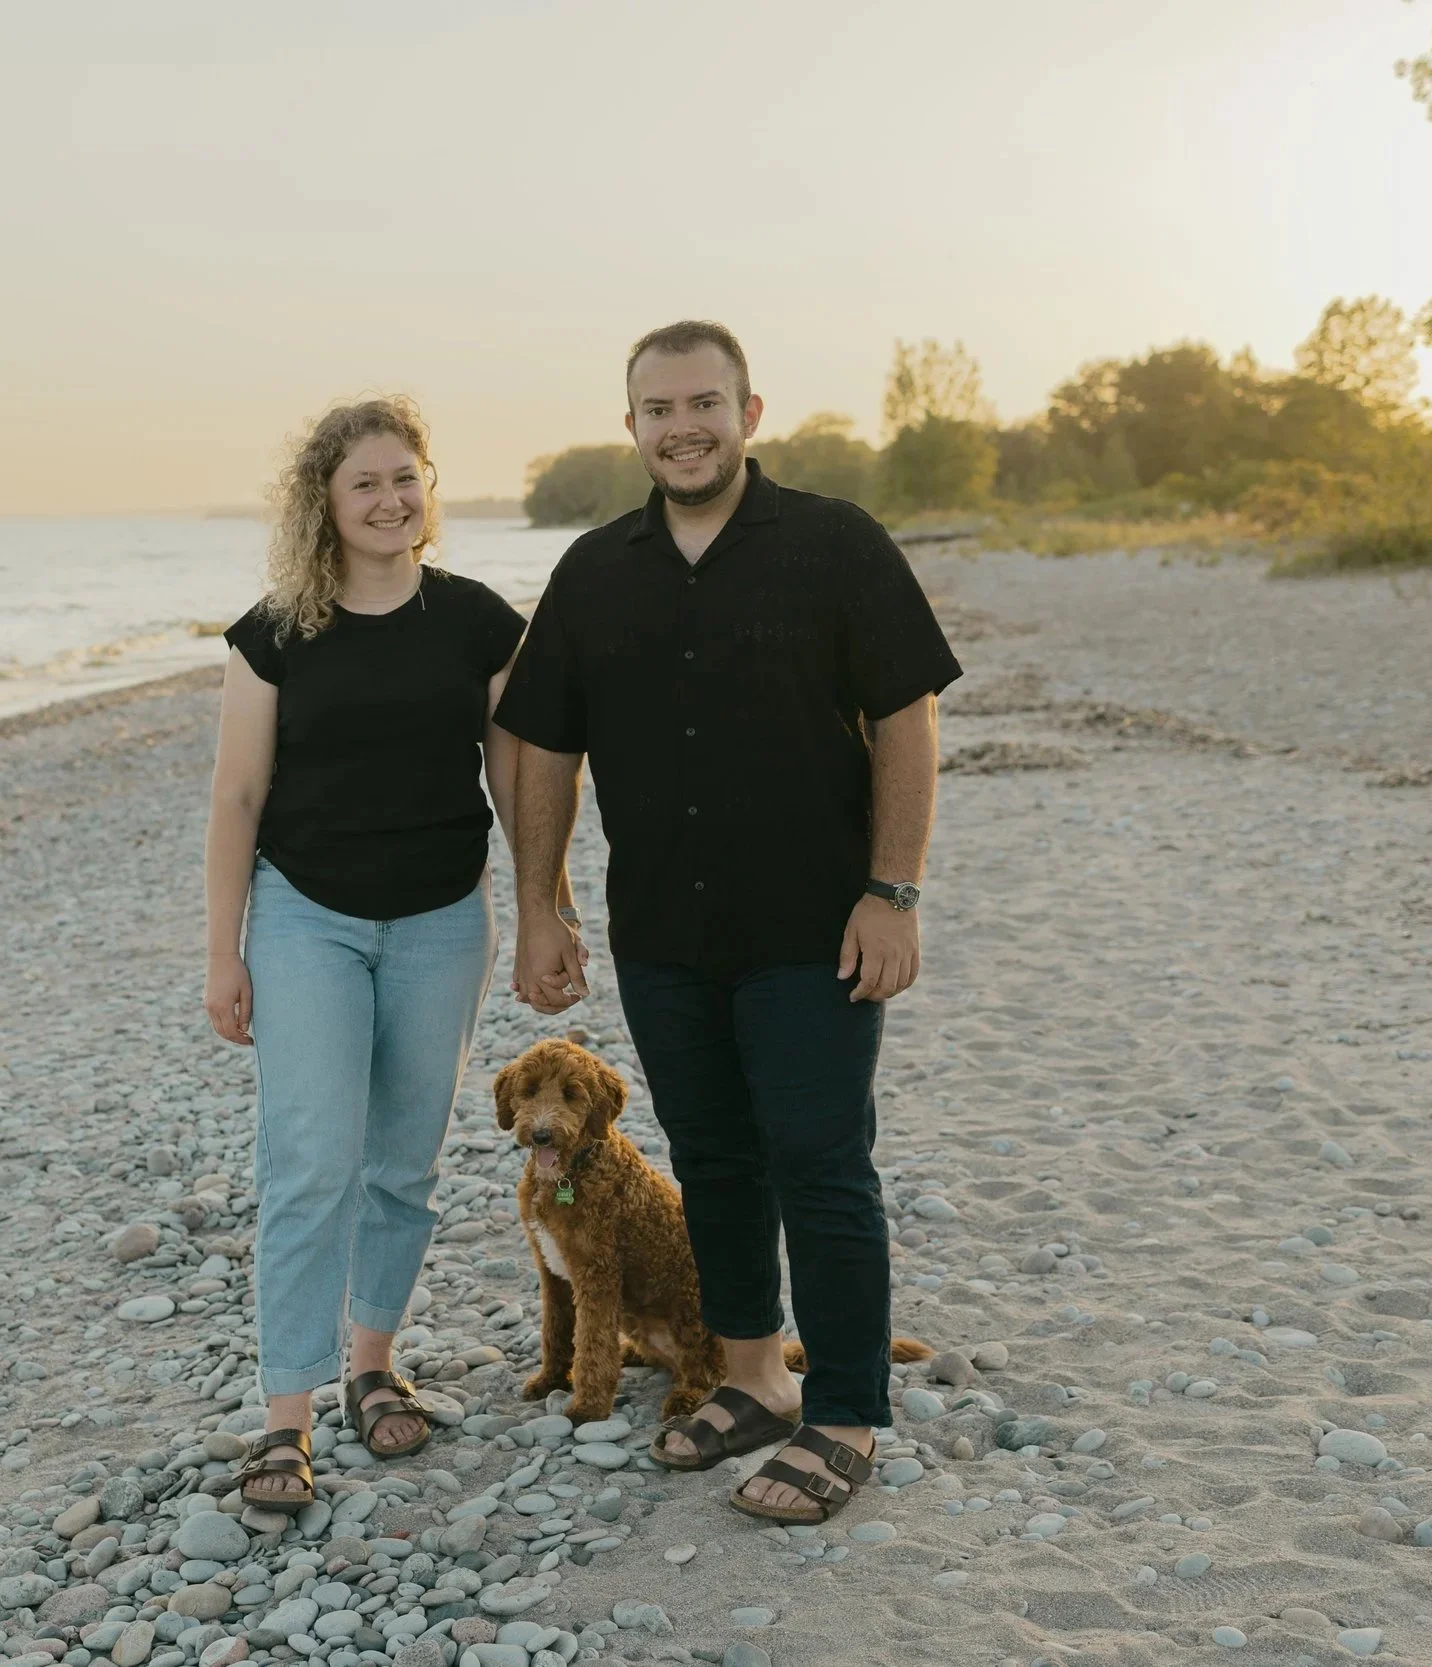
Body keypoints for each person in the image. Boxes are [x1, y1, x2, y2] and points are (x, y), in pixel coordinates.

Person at [494, 320, 960, 1525]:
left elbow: (905, 716)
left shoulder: (834, 544)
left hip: (816, 927)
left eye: (704, 402)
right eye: (657, 408)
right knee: (712, 1162)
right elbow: (546, 741)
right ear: (633, 424)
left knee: (820, 1160)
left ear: (750, 411)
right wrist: (536, 904)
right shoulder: (595, 570)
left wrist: (892, 888)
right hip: (662, 933)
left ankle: (845, 1411)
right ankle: (751, 1375)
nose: (681, 425)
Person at [202, 396, 569, 1512]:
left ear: (428, 487)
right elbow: (237, 795)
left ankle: (372, 1361)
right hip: (305, 914)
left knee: (403, 1161)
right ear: (325, 501)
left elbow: (526, 777)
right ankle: (284, 1416)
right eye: (363, 482)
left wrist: (545, 908)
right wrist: (225, 952)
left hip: (441, 920)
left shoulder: (475, 622)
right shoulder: (275, 632)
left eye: (404, 477)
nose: (388, 499)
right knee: (311, 1160)